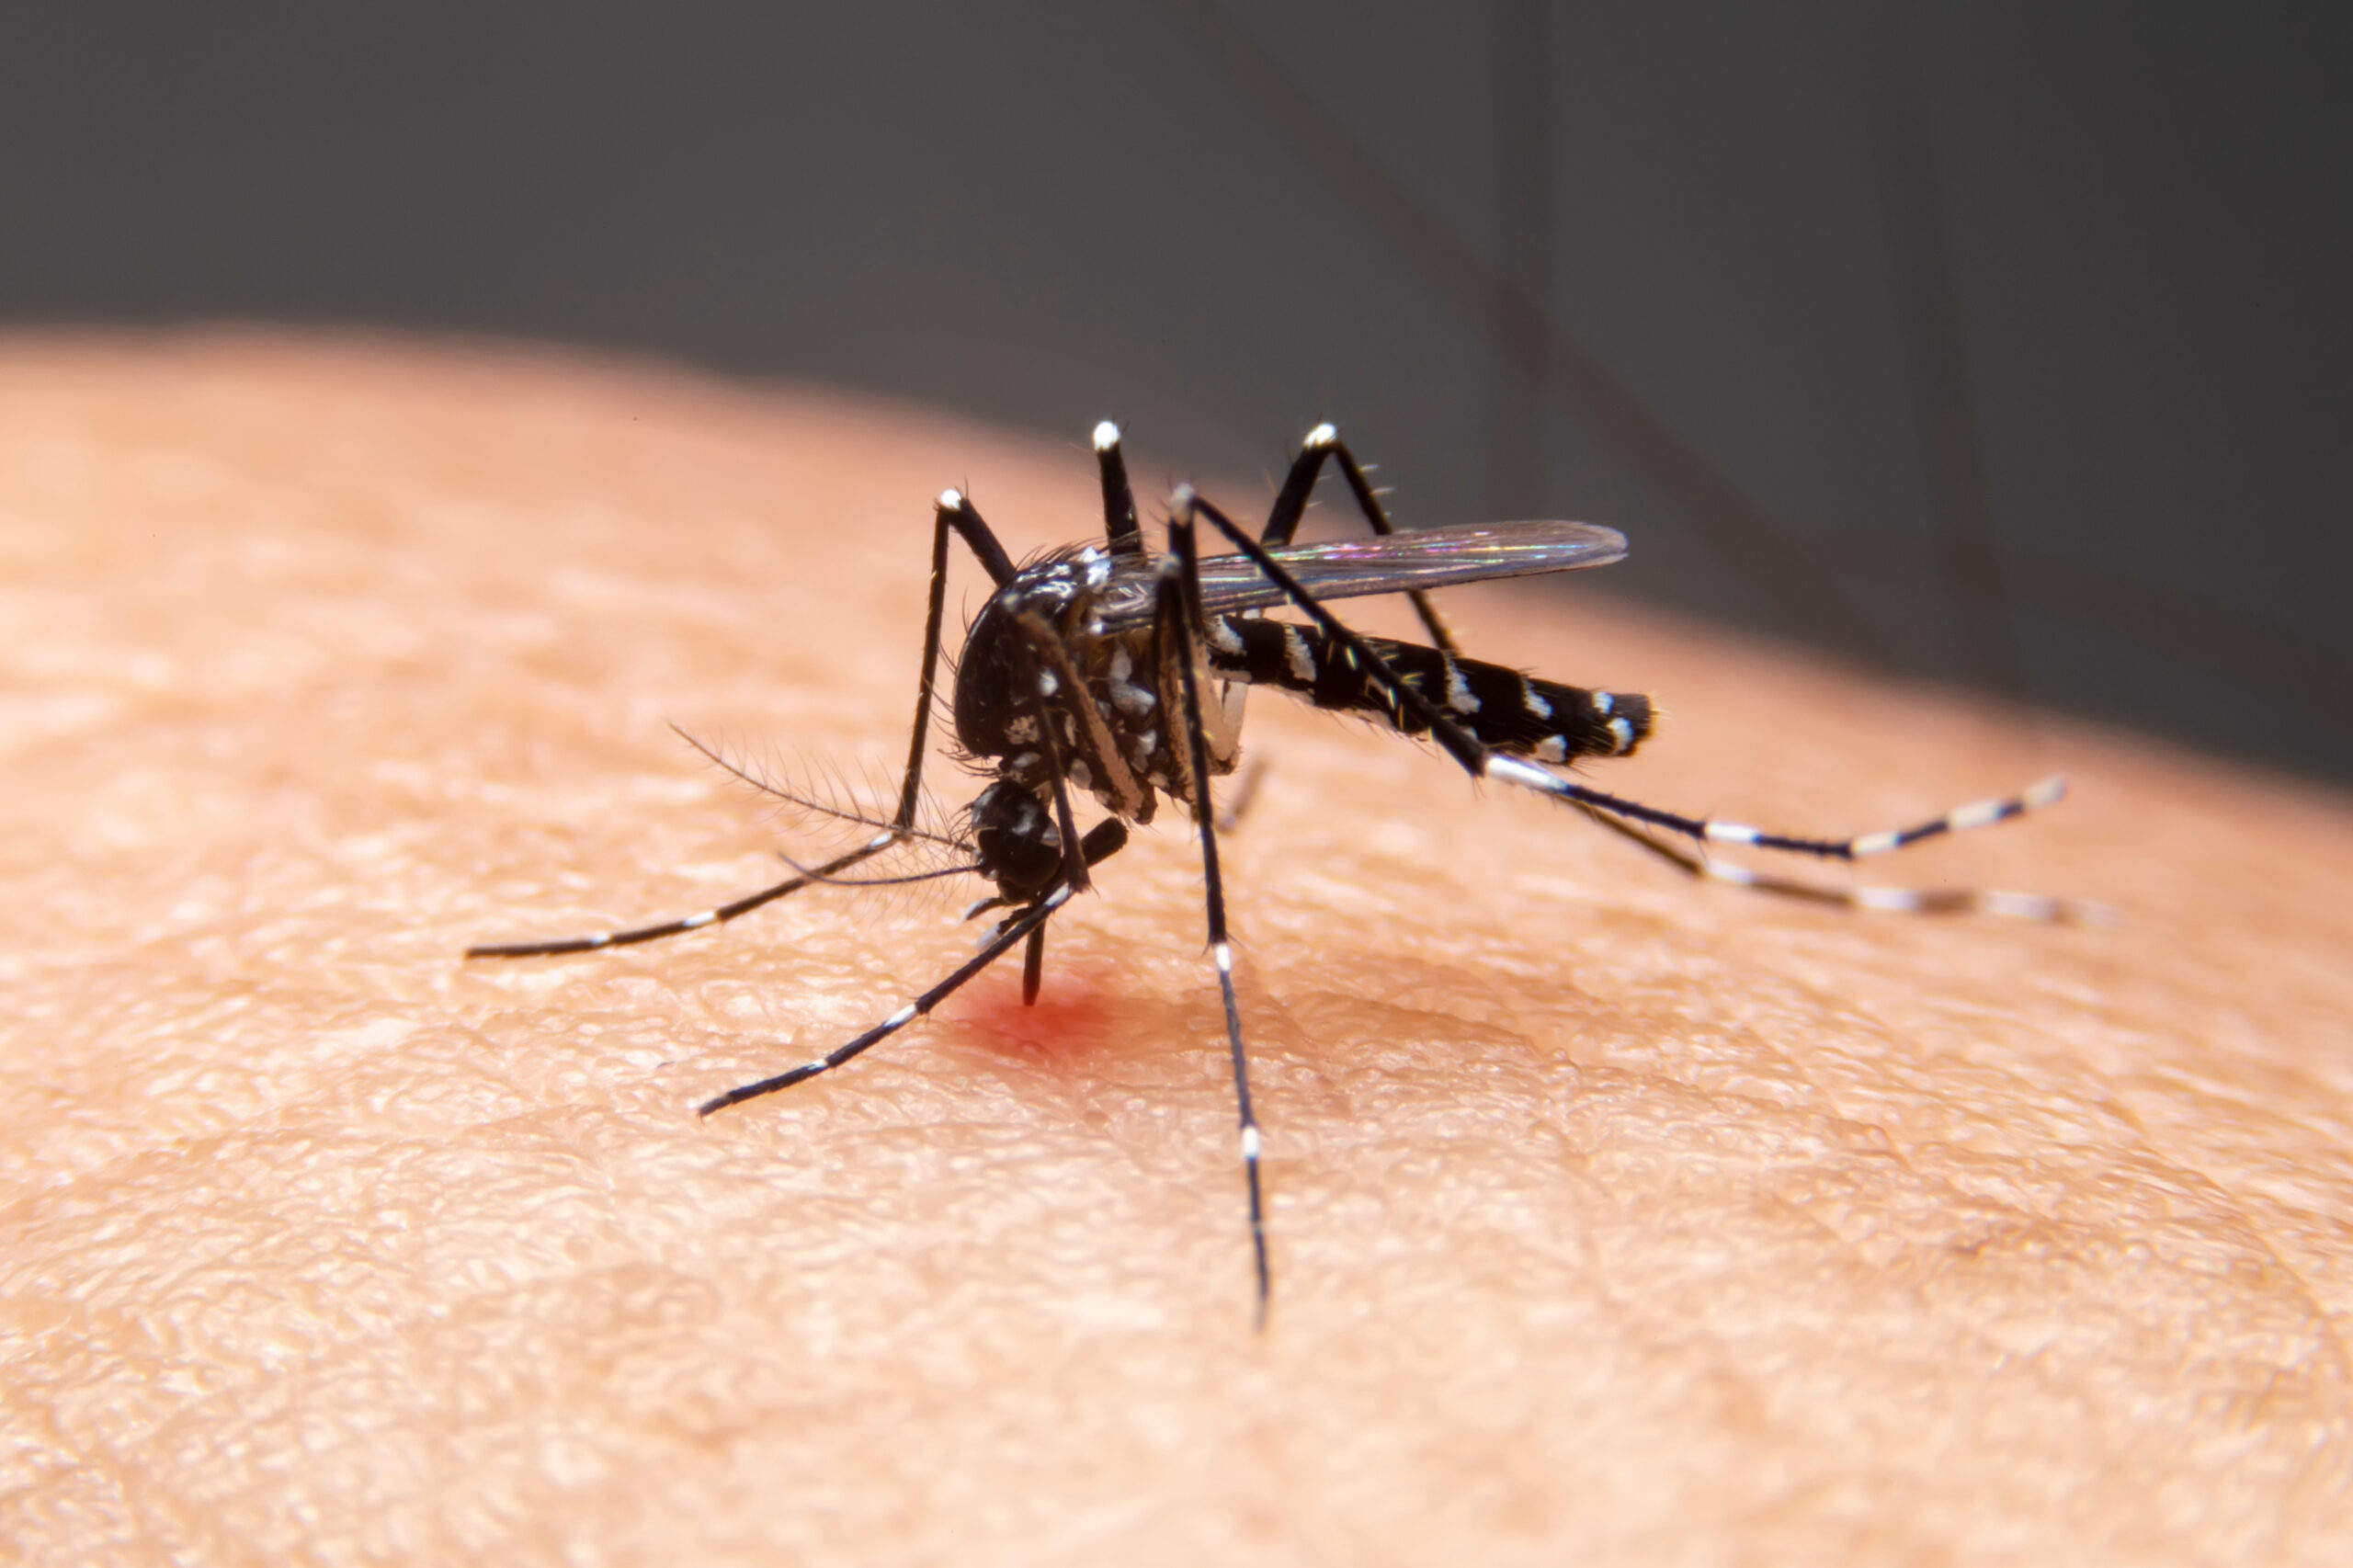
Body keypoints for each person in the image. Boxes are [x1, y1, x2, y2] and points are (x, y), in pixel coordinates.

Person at [6, 329, 2346, 1562]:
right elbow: (1013, 618)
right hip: (1145, 659)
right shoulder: (1021, 697)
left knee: (1251, 549)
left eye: (1007, 832)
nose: (1028, 851)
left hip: (1232, 629)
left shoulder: (1083, 676)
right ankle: (1735, 820)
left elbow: (1123, 621)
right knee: (1085, 540)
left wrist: (1212, 974)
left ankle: (1719, 832)